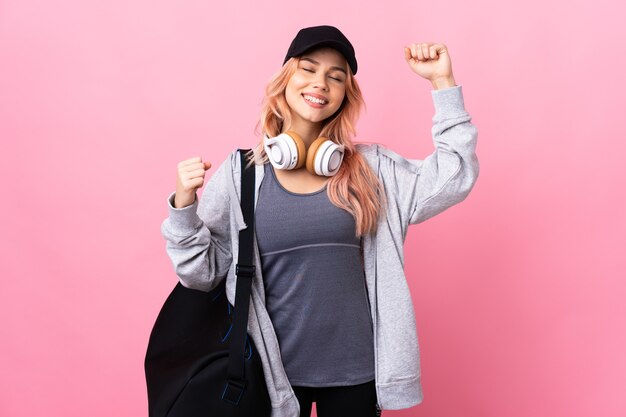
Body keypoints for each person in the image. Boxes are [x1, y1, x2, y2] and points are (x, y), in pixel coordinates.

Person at [161, 25, 479, 417]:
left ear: (346, 93)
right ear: (286, 79)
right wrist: (182, 206)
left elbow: (454, 174)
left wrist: (442, 83)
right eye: (308, 69)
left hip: (357, 378)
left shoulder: (372, 170)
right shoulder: (239, 174)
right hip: (268, 379)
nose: (321, 83)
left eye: (336, 76)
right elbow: (201, 273)